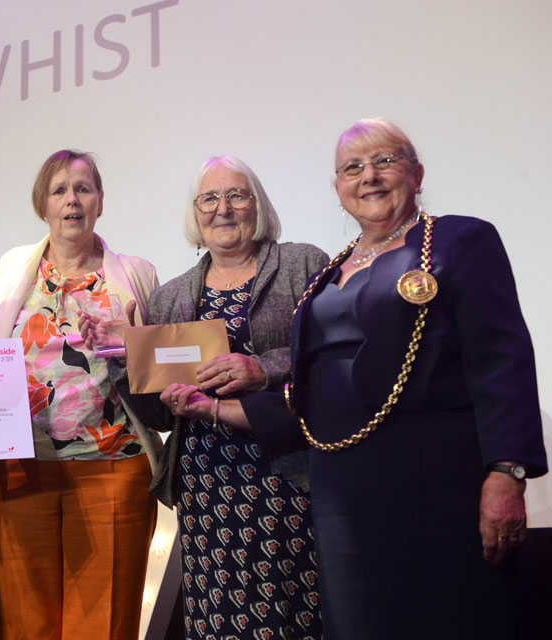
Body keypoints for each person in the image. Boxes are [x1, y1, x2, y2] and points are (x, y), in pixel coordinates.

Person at [162, 119, 548, 639]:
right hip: (341, 490)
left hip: (437, 482)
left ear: (417, 172)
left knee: (453, 616)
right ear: (338, 186)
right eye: (351, 167)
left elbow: (501, 358)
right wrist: (213, 409)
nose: (368, 175)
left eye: (384, 160)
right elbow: (310, 390)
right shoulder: (333, 272)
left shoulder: (459, 240)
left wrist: (507, 472)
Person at [84, 156, 329, 640]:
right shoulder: (171, 297)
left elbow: (328, 357)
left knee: (298, 615)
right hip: (208, 486)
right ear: (195, 213)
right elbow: (158, 414)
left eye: (237, 195)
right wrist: (121, 352)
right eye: (209, 199)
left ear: (258, 206)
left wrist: (263, 368)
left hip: (288, 476)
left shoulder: (304, 264)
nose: (223, 209)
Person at [0, 150, 160, 639]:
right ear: (42, 203)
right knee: (23, 619)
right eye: (59, 190)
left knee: (103, 622)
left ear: (100, 201)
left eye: (83, 188)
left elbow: (157, 374)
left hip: (116, 465)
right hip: (22, 466)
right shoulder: (11, 269)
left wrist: (126, 342)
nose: (72, 200)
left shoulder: (137, 275)